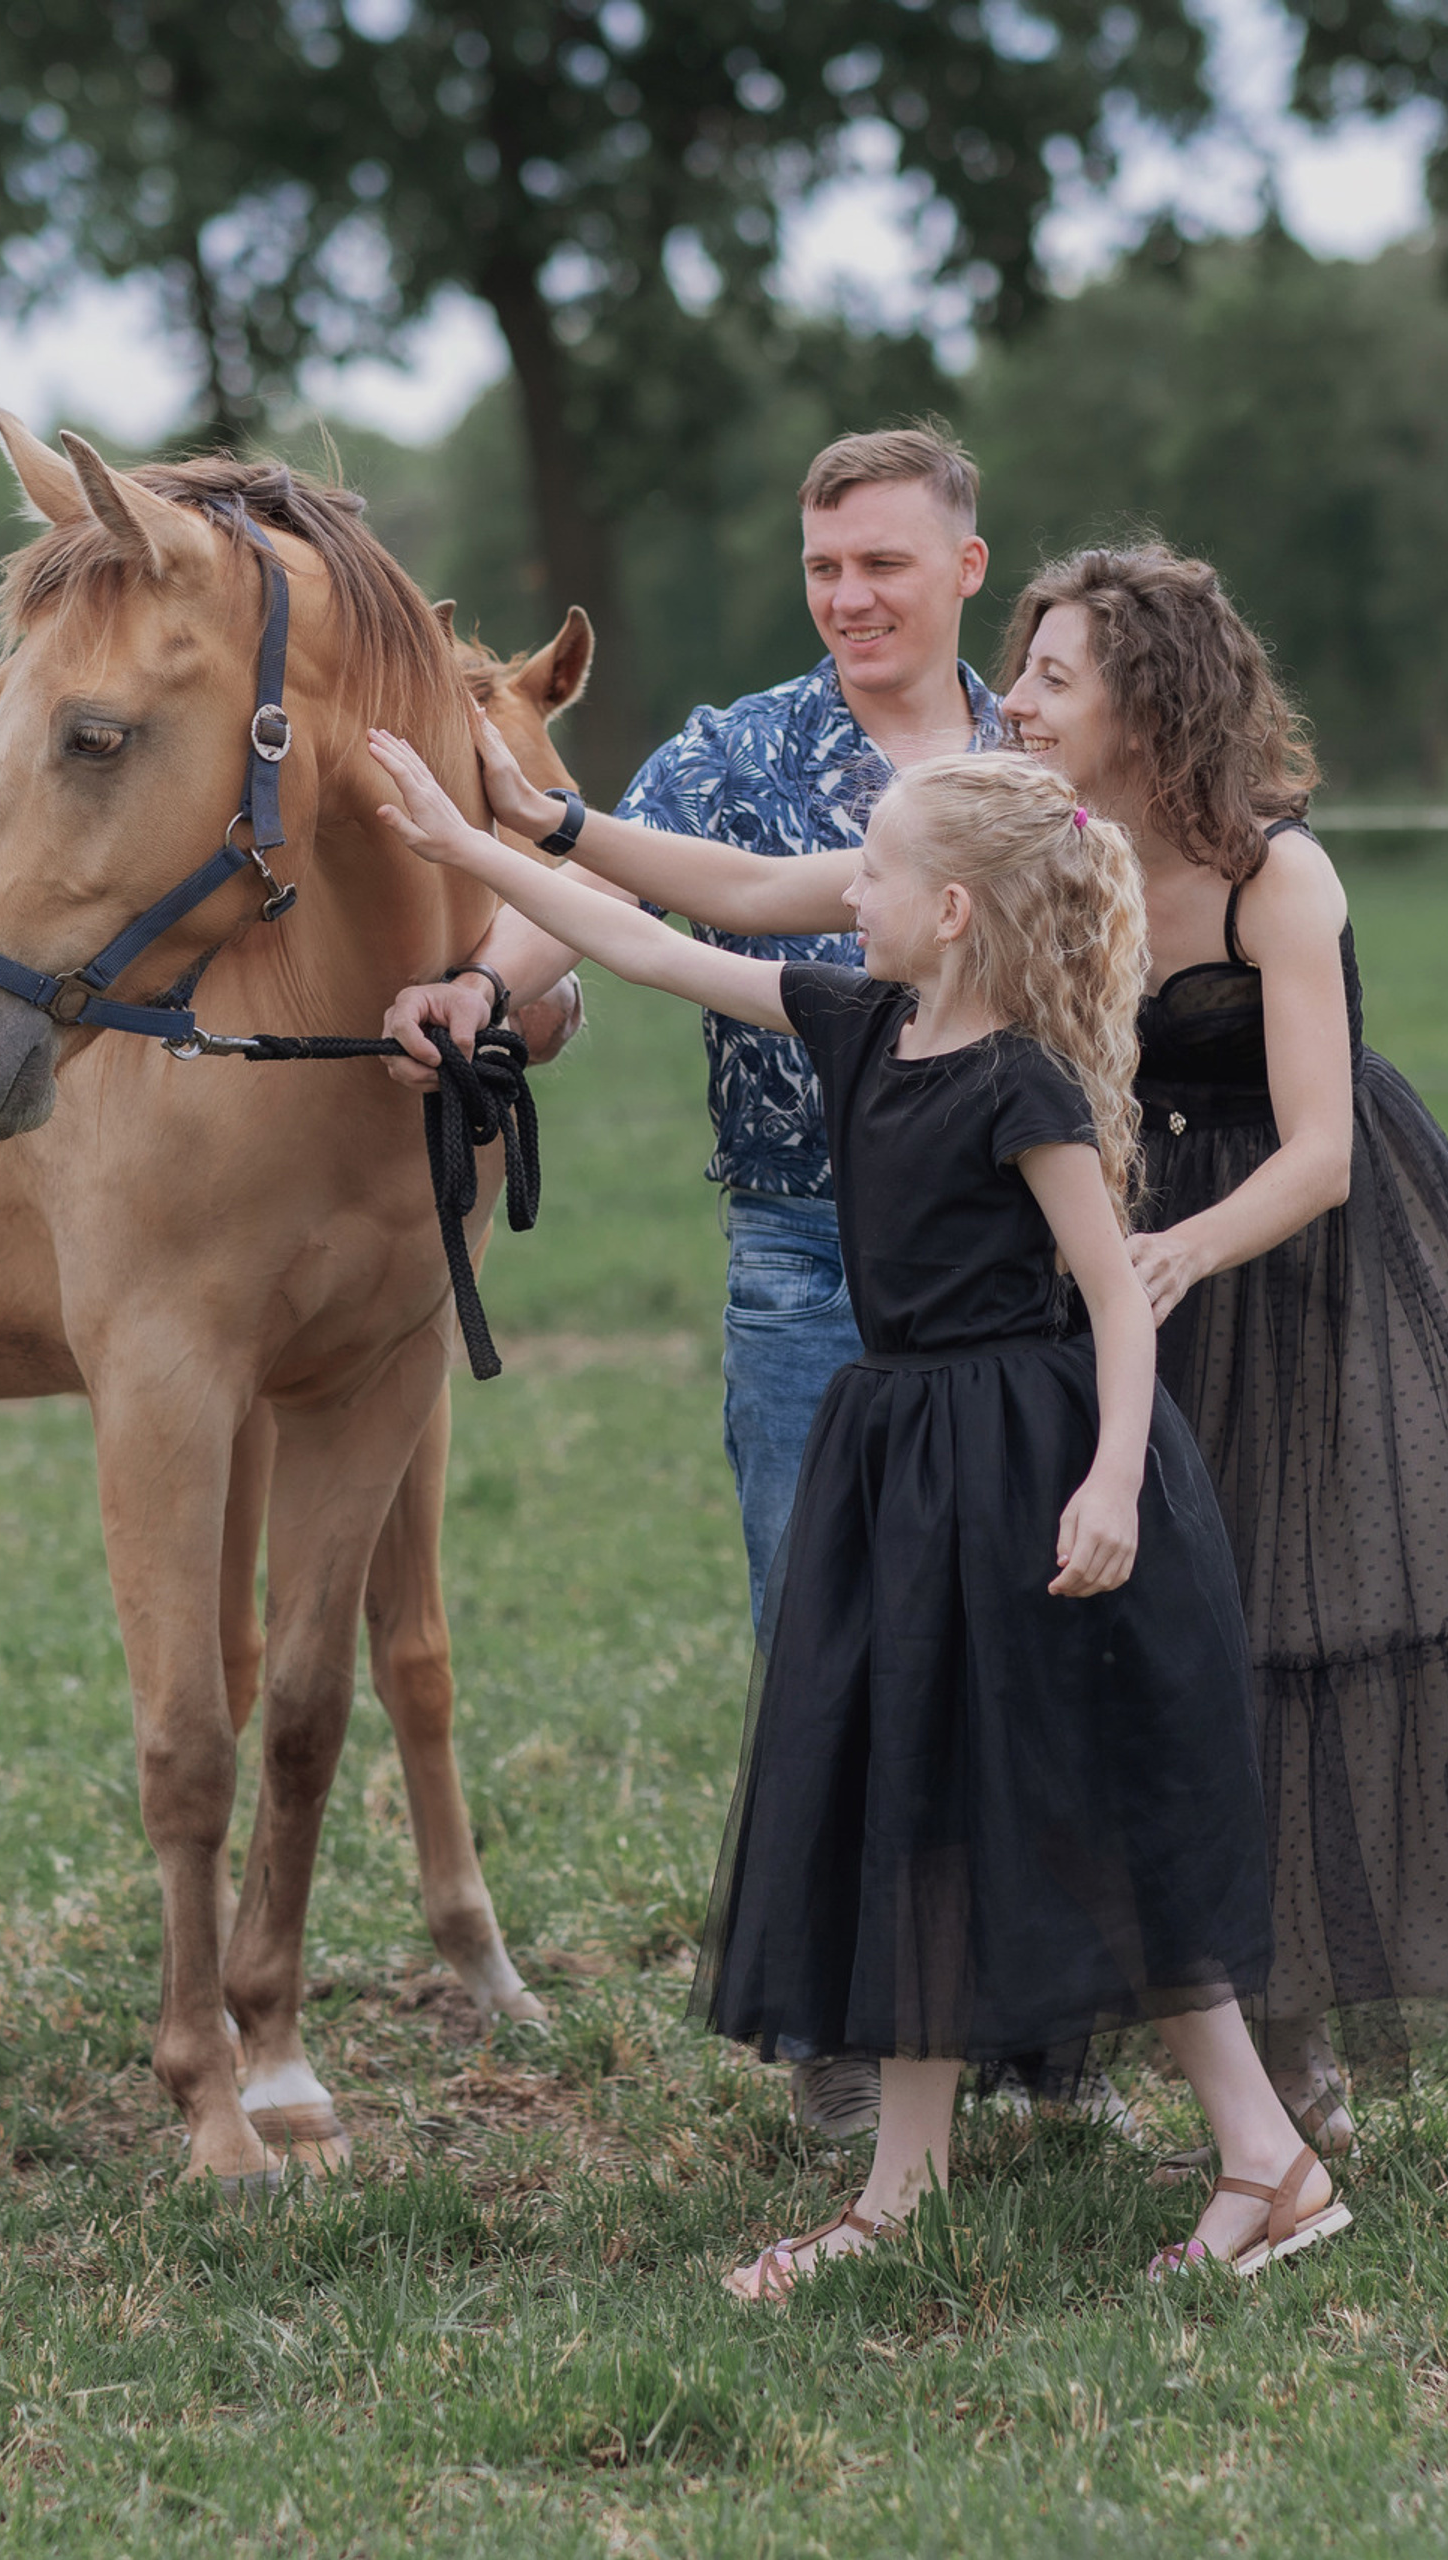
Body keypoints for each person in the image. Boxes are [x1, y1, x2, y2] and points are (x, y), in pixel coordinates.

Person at [474, 543, 1448, 2194]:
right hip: (1108, 1249)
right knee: (1187, 1654)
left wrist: (1178, 1249)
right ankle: (1274, 2043)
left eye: (1048, 676)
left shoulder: (1275, 879)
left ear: (1146, 701)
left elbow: (1319, 1152)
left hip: (1293, 1251)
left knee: (1407, 1617)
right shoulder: (1026, 854)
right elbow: (742, 908)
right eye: (1020, 670)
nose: (1011, 697)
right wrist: (548, 829)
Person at [370, 728, 1351, 2287]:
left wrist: (1109, 1486)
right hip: (905, 1461)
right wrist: (457, 836)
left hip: (1038, 1467)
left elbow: (1115, 1298)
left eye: (877, 871)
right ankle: (902, 2195)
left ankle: (1267, 2160)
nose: (851, 894)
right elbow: (637, 943)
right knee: (919, 1801)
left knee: (1099, 1807)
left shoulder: (1021, 1081)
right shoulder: (857, 1021)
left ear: (953, 911)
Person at [384, 424, 1006, 2139]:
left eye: (882, 563)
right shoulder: (737, 751)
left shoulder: (1040, 751)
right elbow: (591, 888)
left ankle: (1035, 2015)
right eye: (824, 567)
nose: (850, 596)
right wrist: (489, 998)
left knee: (1021, 1635)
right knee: (825, 1631)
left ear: (963, 565)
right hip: (806, 1253)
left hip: (1018, 1263)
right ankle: (840, 2023)